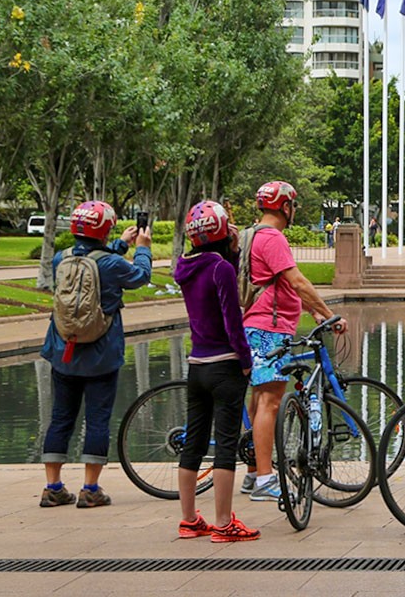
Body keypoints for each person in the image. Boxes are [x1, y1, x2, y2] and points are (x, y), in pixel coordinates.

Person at [39, 200, 152, 509]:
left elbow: (90, 259)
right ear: (104, 230)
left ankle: (52, 487)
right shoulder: (112, 265)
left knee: (61, 417)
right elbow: (140, 276)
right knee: (97, 420)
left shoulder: (61, 258)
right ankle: (90, 489)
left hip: (63, 350)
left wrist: (120, 245)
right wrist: (142, 248)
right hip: (101, 355)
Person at [241, 181, 344, 501]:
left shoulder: (252, 233)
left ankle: (253, 473)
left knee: (260, 399)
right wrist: (330, 314)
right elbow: (297, 281)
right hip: (269, 328)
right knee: (270, 401)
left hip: (259, 324)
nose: (294, 210)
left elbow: (280, 284)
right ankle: (265, 480)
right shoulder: (272, 237)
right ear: (285, 207)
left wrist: (313, 311)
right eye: (293, 205)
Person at [172, 201, 259, 542]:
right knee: (225, 445)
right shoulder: (220, 267)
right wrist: (245, 359)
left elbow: (216, 288)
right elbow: (231, 318)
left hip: (197, 365)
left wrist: (230, 255)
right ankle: (224, 523)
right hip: (225, 365)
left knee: (193, 443)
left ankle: (189, 519)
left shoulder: (185, 267)